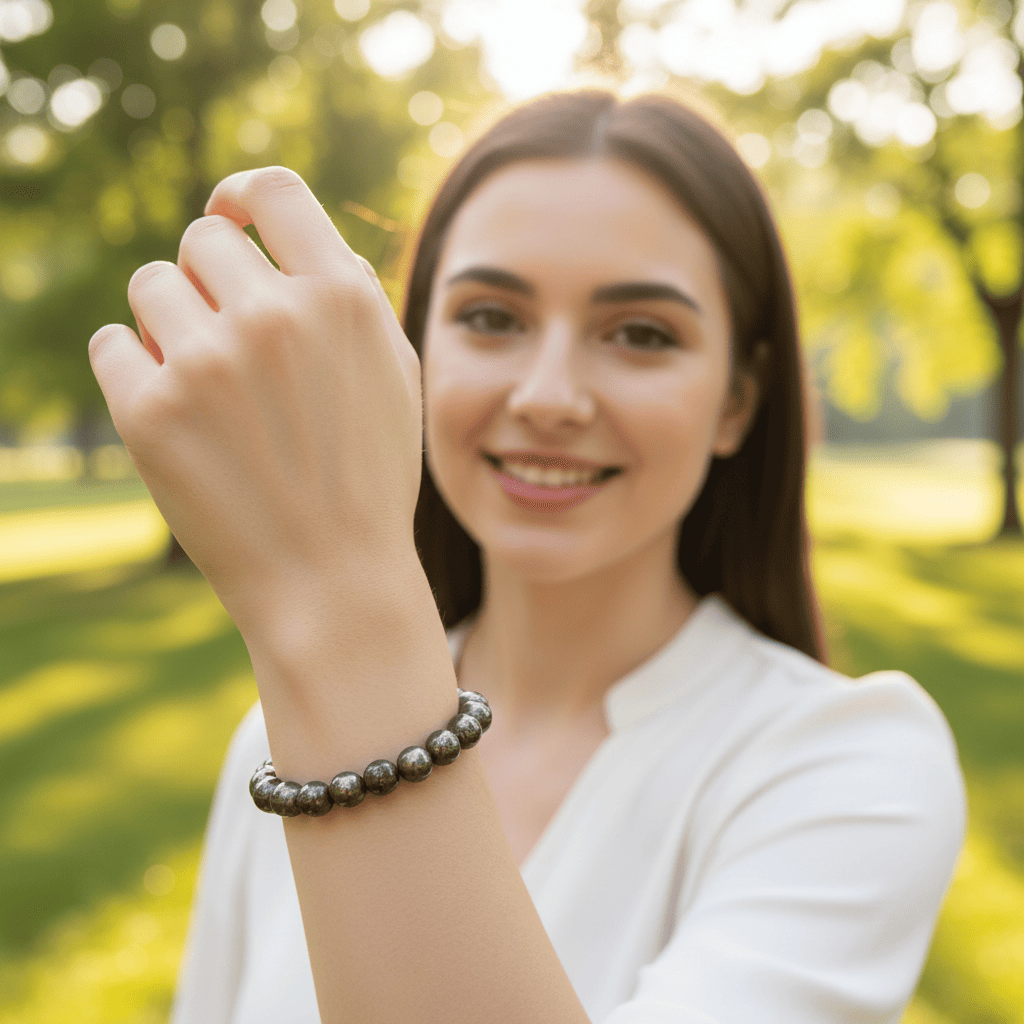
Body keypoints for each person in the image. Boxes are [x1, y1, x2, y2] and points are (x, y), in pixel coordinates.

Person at [90, 90, 966, 1024]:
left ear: (738, 402)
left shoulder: (844, 767)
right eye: (492, 318)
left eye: (640, 334)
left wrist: (334, 595)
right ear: (408, 354)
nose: (549, 396)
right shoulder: (275, 745)